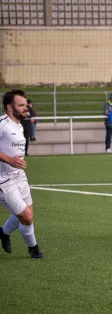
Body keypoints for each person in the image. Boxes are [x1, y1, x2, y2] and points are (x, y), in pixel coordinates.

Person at [0, 90, 45, 258]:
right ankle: (33, 249)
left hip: (19, 175)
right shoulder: (2, 124)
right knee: (26, 217)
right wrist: (8, 160)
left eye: (26, 105)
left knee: (28, 214)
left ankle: (3, 233)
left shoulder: (19, 125)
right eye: (21, 105)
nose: (26, 108)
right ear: (9, 108)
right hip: (3, 181)